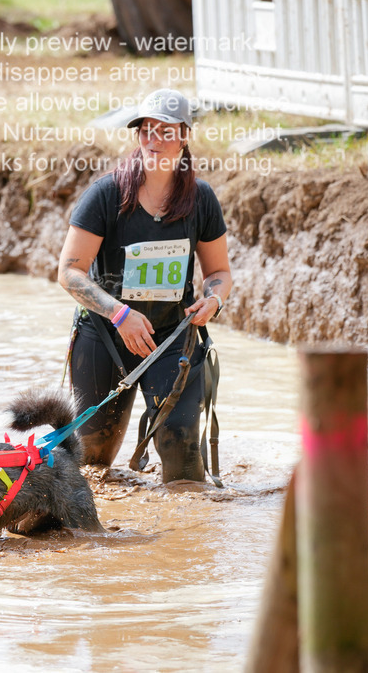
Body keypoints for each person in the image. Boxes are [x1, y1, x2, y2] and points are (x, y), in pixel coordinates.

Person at [58, 88, 232, 483]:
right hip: (105, 336)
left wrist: (214, 299)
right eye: (146, 130)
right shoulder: (105, 194)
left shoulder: (201, 199)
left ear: (184, 135)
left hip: (173, 340)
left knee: (185, 463)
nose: (154, 140)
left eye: (165, 131)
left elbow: (219, 272)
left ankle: (183, 540)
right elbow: (69, 271)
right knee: (93, 461)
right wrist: (119, 314)